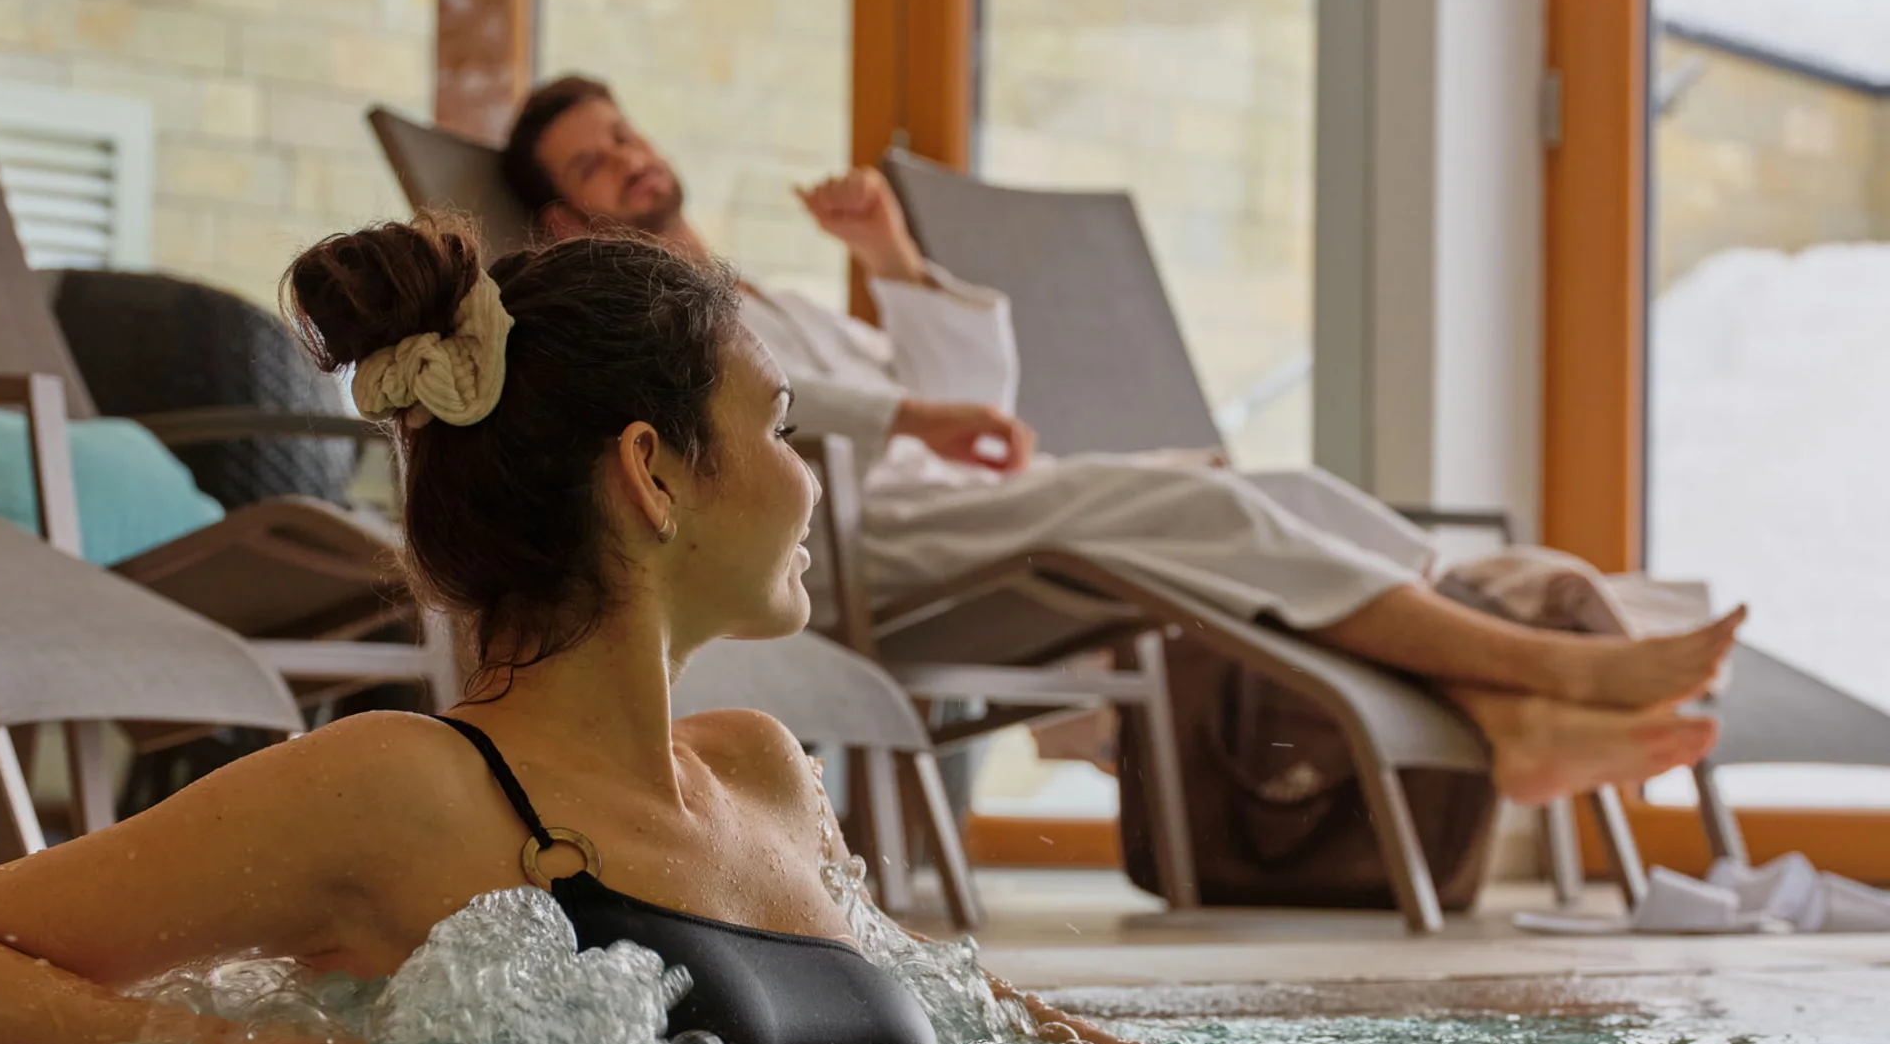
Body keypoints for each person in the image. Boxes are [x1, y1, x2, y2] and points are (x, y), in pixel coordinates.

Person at [0, 223, 1128, 1044]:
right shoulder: (403, 789)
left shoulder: (764, 773)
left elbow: (982, 1024)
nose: (810, 479)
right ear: (651, 472)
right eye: (781, 427)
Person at [499, 76, 1743, 808]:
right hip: (866, 538)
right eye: (593, 163)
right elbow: (752, 424)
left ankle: (1504, 710)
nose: (629, 161)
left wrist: (892, 261)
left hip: (941, 496)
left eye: (627, 137)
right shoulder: (637, 324)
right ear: (561, 215)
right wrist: (914, 417)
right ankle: (1554, 672)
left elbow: (971, 387)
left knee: (1280, 486)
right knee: (1218, 515)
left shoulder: (764, 294)